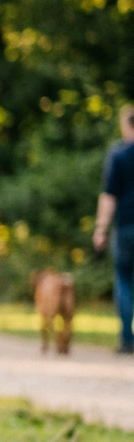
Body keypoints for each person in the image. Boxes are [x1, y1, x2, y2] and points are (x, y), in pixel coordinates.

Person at [92, 103, 134, 353]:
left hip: (126, 226)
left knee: (124, 280)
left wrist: (100, 229)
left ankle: (127, 340)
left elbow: (109, 196)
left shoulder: (118, 155)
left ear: (126, 125)